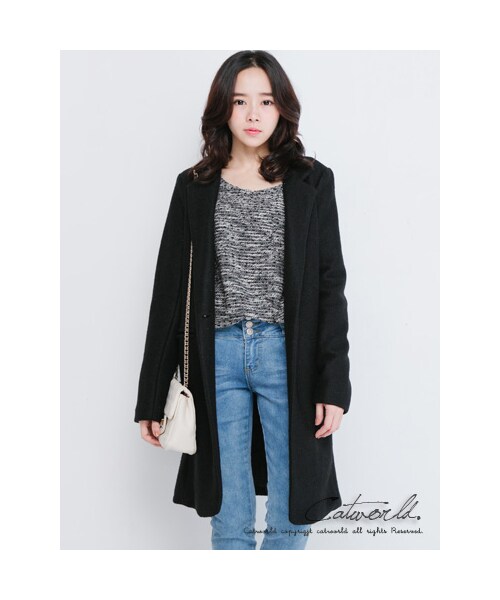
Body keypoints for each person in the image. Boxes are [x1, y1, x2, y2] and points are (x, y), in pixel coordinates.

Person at [134, 50, 352, 550]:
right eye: (239, 101)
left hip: (287, 357)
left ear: (282, 108)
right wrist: (150, 396)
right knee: (228, 514)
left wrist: (334, 383)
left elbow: (329, 285)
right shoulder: (194, 187)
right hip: (218, 358)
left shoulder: (312, 182)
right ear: (223, 109)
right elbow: (168, 294)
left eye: (266, 101)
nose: (253, 114)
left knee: (292, 511)